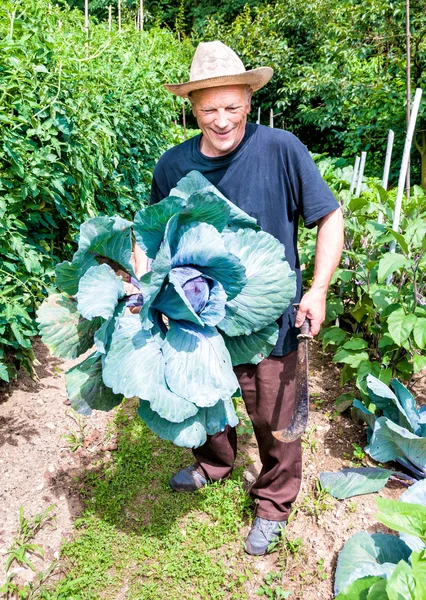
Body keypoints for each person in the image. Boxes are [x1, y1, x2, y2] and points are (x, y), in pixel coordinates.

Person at [141, 40, 344, 556]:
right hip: (197, 313)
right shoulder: (172, 166)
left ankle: (274, 501)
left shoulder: (282, 149)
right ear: (193, 109)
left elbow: (329, 218)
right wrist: (141, 287)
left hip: (266, 313)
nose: (222, 120)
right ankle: (214, 463)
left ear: (249, 102)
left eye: (232, 107)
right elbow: (154, 237)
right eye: (210, 109)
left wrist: (318, 291)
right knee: (203, 396)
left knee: (276, 414)